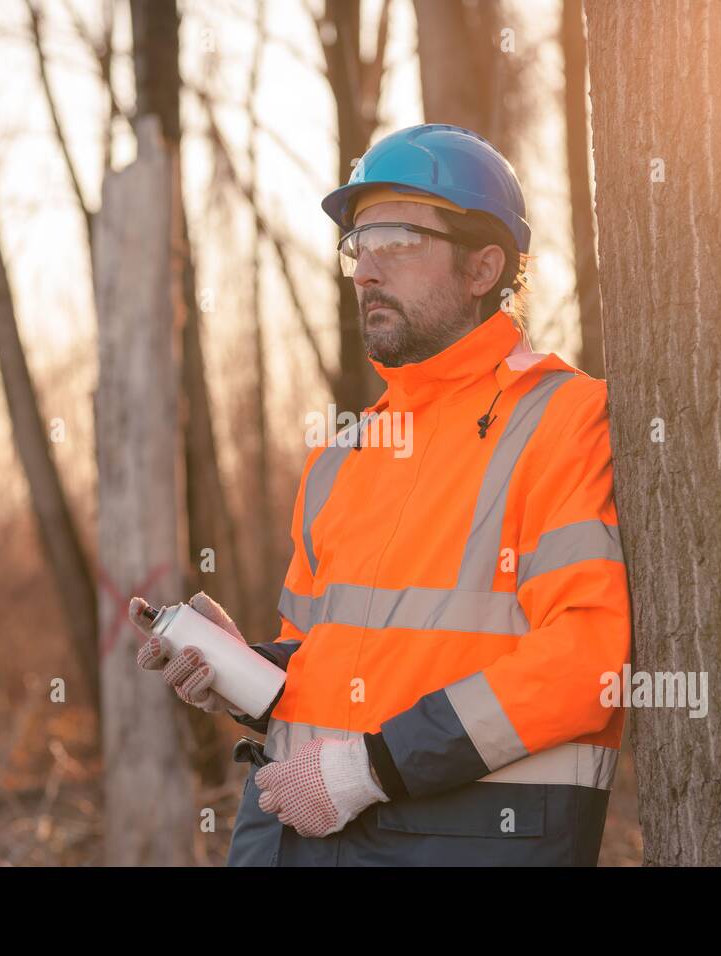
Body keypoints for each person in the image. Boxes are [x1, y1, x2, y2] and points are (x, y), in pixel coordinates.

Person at [132, 123, 631, 866]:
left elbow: (586, 662)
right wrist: (240, 672)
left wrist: (369, 769)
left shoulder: (565, 419)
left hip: (467, 838)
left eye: (396, 239)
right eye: (358, 245)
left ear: (483, 266)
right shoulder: (345, 454)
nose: (366, 269)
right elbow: (324, 671)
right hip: (293, 833)